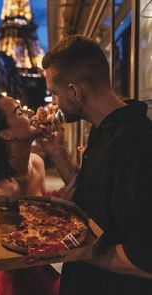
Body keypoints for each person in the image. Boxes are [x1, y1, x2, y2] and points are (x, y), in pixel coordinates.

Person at [39, 35, 152, 295]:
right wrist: (57, 152)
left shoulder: (134, 145)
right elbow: (91, 194)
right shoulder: (104, 130)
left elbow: (146, 254)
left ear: (75, 91)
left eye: (55, 93)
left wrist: (82, 253)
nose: (54, 103)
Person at [0, 92, 60, 295]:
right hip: (9, 283)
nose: (29, 111)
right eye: (19, 112)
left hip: (38, 271)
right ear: (5, 134)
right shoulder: (1, 190)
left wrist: (56, 150)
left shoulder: (36, 163)